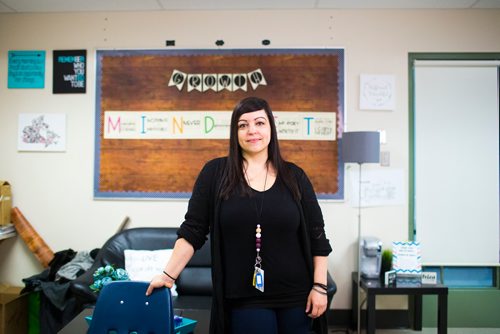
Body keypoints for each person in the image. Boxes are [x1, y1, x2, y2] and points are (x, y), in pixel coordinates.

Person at [146, 96, 332, 334]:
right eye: (243, 125)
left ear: (271, 128)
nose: (252, 131)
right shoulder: (215, 173)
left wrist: (319, 286)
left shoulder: (295, 176)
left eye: (259, 123)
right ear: (235, 132)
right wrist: (167, 275)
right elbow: (193, 231)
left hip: (297, 295)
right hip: (244, 297)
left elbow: (317, 235)